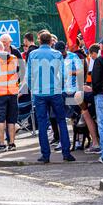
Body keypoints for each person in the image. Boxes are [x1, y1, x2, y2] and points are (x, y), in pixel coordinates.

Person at [27, 32, 76, 163]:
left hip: (39, 93)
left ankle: (45, 155)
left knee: (42, 124)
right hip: (55, 92)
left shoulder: (32, 54)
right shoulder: (57, 54)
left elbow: (29, 75)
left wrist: (33, 89)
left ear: (39, 41)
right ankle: (66, 153)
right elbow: (64, 74)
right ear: (51, 42)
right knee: (61, 121)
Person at [53, 41, 84, 151]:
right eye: (59, 52)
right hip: (60, 91)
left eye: (63, 52)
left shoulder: (73, 56)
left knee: (74, 116)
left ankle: (78, 141)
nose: (62, 54)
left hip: (72, 91)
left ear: (65, 48)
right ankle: (63, 141)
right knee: (60, 116)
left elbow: (81, 71)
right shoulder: (55, 58)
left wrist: (71, 73)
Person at [74, 43, 101, 155]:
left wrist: (90, 89)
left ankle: (96, 143)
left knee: (78, 97)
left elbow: (98, 82)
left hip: (100, 96)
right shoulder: (100, 60)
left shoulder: (98, 62)